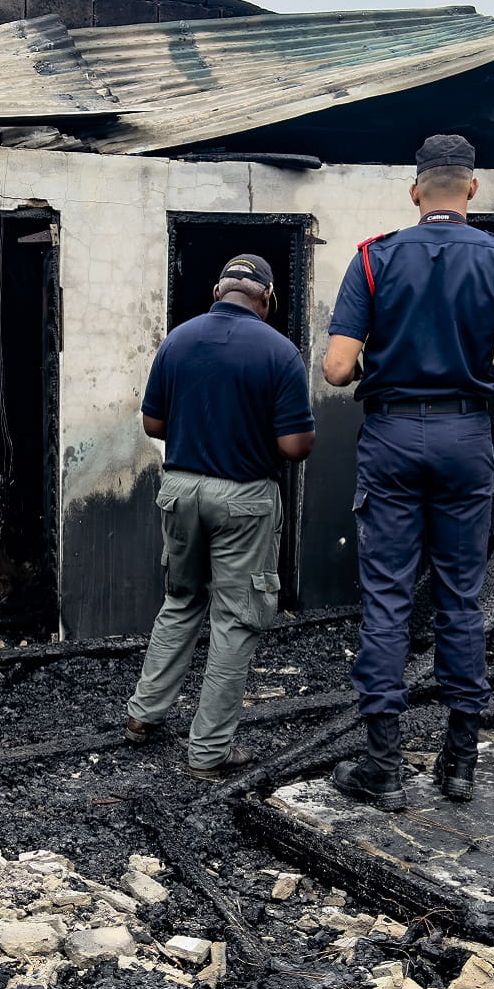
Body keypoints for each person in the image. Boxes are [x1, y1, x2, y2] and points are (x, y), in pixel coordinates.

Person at [321, 135, 494, 810]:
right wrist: (486, 365)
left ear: (416, 191)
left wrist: (385, 361)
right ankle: (458, 766)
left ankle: (384, 769)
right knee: (460, 596)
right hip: (464, 437)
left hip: (391, 433)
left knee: (388, 598)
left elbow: (336, 368)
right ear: (472, 189)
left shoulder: (373, 259)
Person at [123, 254, 316, 781]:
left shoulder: (178, 340)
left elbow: (153, 423)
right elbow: (295, 446)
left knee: (182, 599)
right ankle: (209, 752)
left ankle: (144, 714)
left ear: (216, 291)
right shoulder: (281, 352)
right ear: (267, 299)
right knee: (235, 618)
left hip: (180, 489)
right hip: (245, 498)